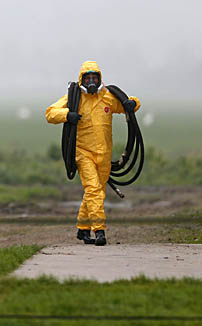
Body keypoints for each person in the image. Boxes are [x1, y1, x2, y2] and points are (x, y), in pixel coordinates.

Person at [45, 61, 140, 246]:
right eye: (87, 78)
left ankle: (82, 229)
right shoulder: (75, 98)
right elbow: (50, 113)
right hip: (83, 152)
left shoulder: (108, 98)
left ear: (99, 79)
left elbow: (130, 105)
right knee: (93, 190)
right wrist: (67, 115)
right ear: (81, 79)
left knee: (95, 193)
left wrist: (132, 102)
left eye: (94, 78)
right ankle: (99, 231)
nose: (90, 81)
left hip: (104, 154)